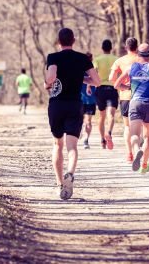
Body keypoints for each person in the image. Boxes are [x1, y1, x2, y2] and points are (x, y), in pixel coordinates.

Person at [44, 28, 101, 200]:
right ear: (73, 40)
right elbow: (97, 81)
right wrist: (80, 78)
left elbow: (51, 78)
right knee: (72, 147)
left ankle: (60, 183)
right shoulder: (83, 58)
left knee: (57, 145)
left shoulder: (53, 57)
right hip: (75, 105)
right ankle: (70, 173)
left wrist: (49, 81)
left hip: (57, 105)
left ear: (58, 41)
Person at [113, 43, 149, 174]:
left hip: (135, 103)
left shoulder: (131, 68)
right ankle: (144, 164)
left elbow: (116, 84)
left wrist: (127, 88)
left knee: (135, 135)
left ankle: (137, 151)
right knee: (148, 136)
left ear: (138, 53)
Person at [109, 37, 140, 162]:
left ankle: (129, 153)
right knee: (139, 126)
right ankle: (138, 149)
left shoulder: (119, 61)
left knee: (127, 126)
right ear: (137, 47)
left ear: (126, 47)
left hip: (125, 97)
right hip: (140, 97)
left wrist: (122, 86)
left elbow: (112, 78)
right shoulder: (142, 60)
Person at [93, 39, 119, 150]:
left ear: (102, 48)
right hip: (113, 88)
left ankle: (102, 140)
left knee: (102, 116)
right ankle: (109, 132)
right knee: (111, 114)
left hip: (100, 88)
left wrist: (90, 85)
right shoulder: (117, 59)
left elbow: (93, 72)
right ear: (111, 48)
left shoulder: (97, 59)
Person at [81, 52, 96, 149]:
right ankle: (85, 139)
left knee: (85, 121)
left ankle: (85, 139)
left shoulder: (79, 69)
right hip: (86, 99)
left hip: (85, 100)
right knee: (87, 121)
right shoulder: (93, 70)